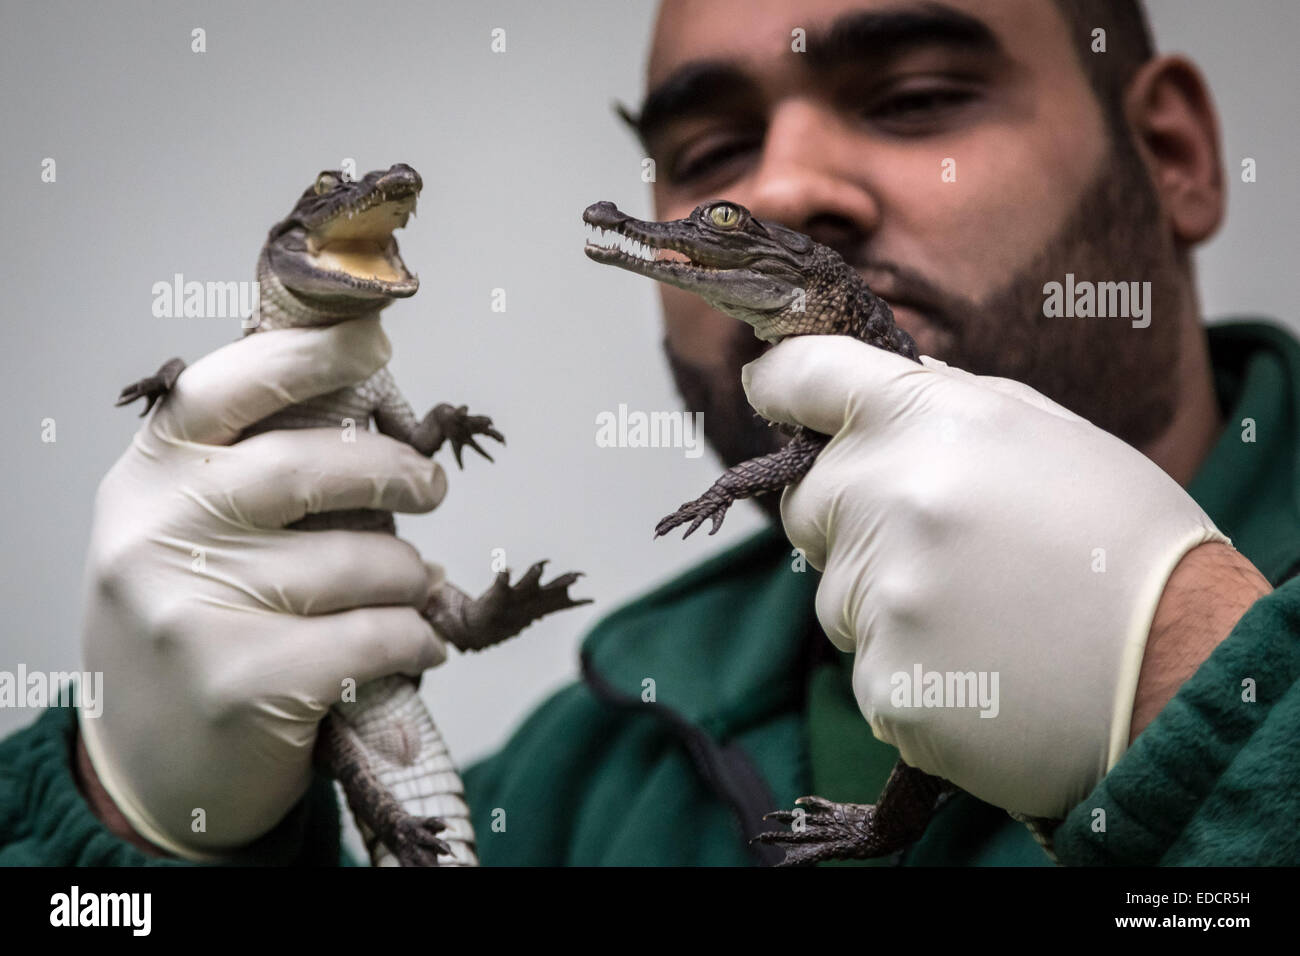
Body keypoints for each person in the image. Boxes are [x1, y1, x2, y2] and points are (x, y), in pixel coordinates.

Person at [1, 0, 1295, 866]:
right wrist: (133, 825)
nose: (780, 189)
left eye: (914, 97)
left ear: (1174, 153)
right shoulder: (574, 787)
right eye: (713, 145)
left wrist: (1207, 689)